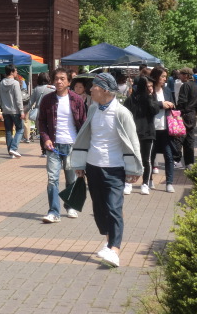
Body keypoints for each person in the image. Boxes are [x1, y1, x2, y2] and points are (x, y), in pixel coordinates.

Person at [72, 73, 142, 268]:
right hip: (93, 166)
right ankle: (109, 242)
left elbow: (133, 141)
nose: (90, 89)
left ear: (104, 90)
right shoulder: (93, 109)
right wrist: (80, 164)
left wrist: (135, 169)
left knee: (114, 207)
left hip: (115, 168)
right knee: (99, 209)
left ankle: (115, 250)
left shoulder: (122, 113)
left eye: (94, 86)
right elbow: (86, 137)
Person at [37, 67, 87, 223]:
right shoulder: (47, 100)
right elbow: (41, 122)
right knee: (52, 179)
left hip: (72, 145)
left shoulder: (77, 100)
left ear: (69, 82)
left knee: (71, 179)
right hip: (53, 145)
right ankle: (53, 212)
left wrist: (83, 145)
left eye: (62, 79)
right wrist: (46, 139)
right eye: (56, 79)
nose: (59, 81)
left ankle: (70, 206)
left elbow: (83, 123)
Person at [123, 76, 159, 195]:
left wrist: (149, 97)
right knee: (131, 158)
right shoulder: (130, 100)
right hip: (132, 133)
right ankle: (128, 183)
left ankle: (145, 184)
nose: (148, 88)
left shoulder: (150, 98)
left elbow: (155, 110)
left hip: (147, 133)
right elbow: (124, 116)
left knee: (146, 159)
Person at [150, 66, 177, 193]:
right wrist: (161, 104)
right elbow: (146, 106)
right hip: (151, 128)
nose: (165, 79)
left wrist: (171, 105)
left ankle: (169, 182)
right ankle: (149, 179)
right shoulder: (149, 90)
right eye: (163, 76)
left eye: (165, 76)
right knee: (150, 156)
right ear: (156, 76)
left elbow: (174, 105)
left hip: (166, 128)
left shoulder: (167, 90)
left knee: (169, 156)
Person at [0, 64, 26, 159]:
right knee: (20, 129)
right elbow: (18, 98)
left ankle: (11, 152)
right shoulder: (15, 83)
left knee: (8, 131)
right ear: (11, 72)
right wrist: (21, 111)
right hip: (15, 110)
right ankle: (13, 148)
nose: (17, 72)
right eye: (16, 71)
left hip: (5, 110)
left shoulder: (1, 83)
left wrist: (3, 107)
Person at [176, 67, 197, 169]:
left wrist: (178, 110)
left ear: (186, 75)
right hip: (192, 114)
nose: (179, 76)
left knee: (179, 137)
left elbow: (182, 101)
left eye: (181, 74)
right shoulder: (196, 85)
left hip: (184, 114)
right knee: (189, 139)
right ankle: (189, 162)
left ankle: (176, 160)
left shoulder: (185, 85)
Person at [27, 72, 55, 154]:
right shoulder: (52, 89)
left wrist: (24, 111)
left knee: (42, 130)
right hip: (51, 111)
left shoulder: (36, 89)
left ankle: (43, 150)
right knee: (51, 129)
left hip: (39, 112)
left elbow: (31, 102)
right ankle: (51, 147)